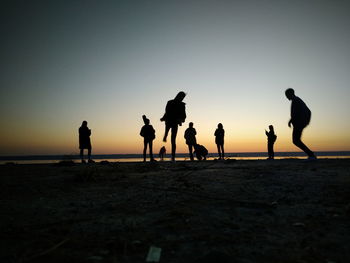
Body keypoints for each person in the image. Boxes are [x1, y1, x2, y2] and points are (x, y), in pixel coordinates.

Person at [285, 88, 317, 159]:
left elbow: (296, 113)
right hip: (300, 122)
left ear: (290, 94)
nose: (286, 97)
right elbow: (297, 113)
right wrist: (291, 121)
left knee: (296, 140)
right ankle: (311, 154)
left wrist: (301, 121)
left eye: (286, 95)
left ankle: (311, 155)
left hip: (299, 123)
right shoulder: (296, 100)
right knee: (296, 140)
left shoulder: (296, 100)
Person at [160, 91, 187, 161]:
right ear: (178, 96)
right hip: (170, 120)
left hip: (174, 121)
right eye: (182, 97)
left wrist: (181, 120)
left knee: (173, 140)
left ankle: (173, 156)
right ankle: (166, 134)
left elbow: (184, 115)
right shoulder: (170, 102)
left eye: (183, 97)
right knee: (169, 132)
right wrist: (164, 117)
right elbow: (167, 111)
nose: (182, 98)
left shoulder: (181, 105)